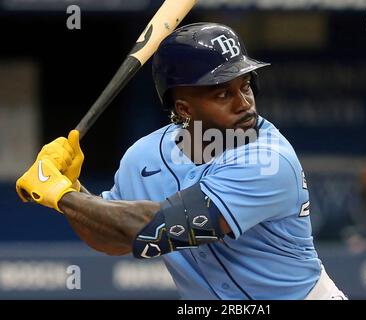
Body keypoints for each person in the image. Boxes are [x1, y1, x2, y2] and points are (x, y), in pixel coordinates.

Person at [16, 23, 346, 300]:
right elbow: (112, 238)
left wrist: (63, 196)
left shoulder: (269, 161)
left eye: (245, 86)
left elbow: (157, 228)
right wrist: (73, 187)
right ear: (185, 109)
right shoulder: (144, 157)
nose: (244, 103)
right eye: (222, 94)